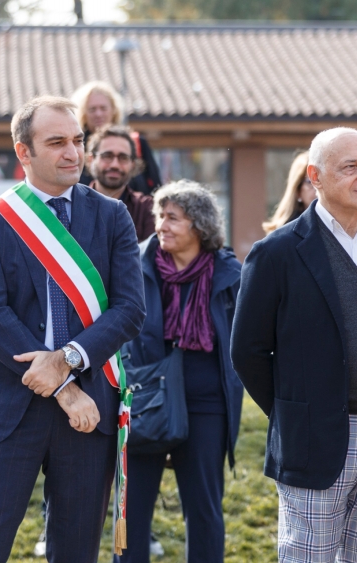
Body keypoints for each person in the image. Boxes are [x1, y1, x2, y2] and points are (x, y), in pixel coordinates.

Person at [0, 96, 145, 562]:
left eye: (77, 141)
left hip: (88, 411)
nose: (73, 153)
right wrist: (64, 387)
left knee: (77, 552)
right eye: (56, 142)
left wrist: (68, 362)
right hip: (7, 407)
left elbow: (129, 309)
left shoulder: (111, 215)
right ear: (24, 153)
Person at [231, 127, 357, 562]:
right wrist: (296, 409)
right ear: (315, 177)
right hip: (314, 437)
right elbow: (247, 351)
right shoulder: (276, 253)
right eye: (351, 167)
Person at [118, 180, 244, 563]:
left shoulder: (230, 273)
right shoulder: (134, 265)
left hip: (208, 403)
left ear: (200, 226)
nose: (161, 225)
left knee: (204, 509)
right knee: (132, 510)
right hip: (144, 399)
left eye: (173, 218)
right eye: (159, 216)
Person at [72, 81, 162, 195]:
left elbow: (156, 187)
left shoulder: (136, 143)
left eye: (103, 108)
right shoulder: (74, 148)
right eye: (92, 109)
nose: (98, 114)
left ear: (114, 110)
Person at [86, 124, 157, 241]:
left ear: (133, 164)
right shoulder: (71, 205)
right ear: (91, 159)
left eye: (123, 157)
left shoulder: (147, 209)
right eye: (107, 156)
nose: (115, 165)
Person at [263, 150, 314, 234]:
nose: (318, 187)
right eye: (310, 182)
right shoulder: (284, 234)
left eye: (321, 181)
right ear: (298, 191)